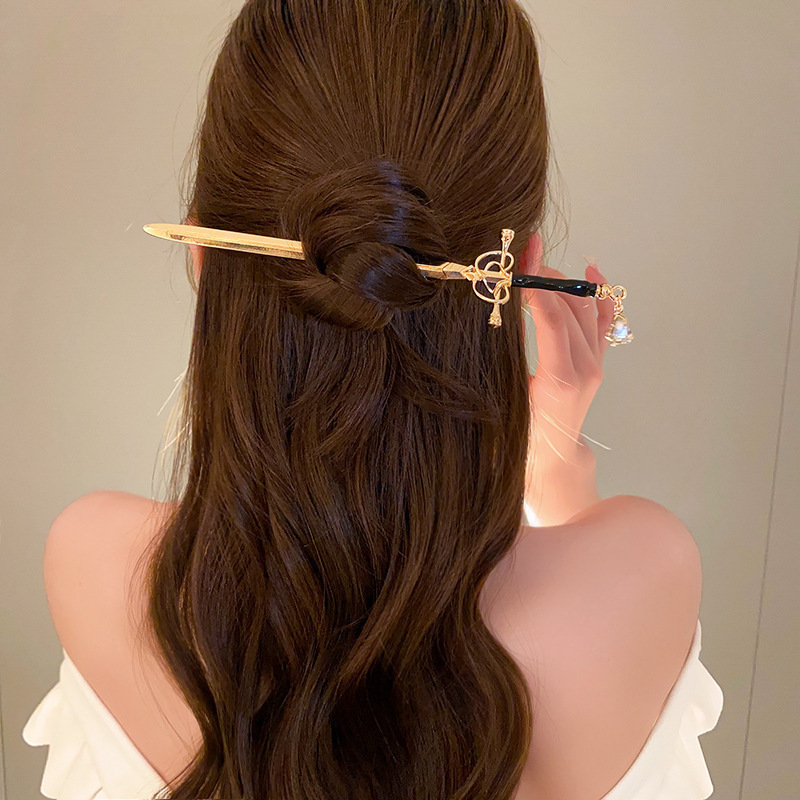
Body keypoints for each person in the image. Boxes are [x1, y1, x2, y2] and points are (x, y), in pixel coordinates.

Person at [22, 1, 723, 798]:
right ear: (521, 265)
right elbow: (578, 592)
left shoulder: (97, 564)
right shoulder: (644, 576)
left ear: (202, 257)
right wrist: (555, 466)